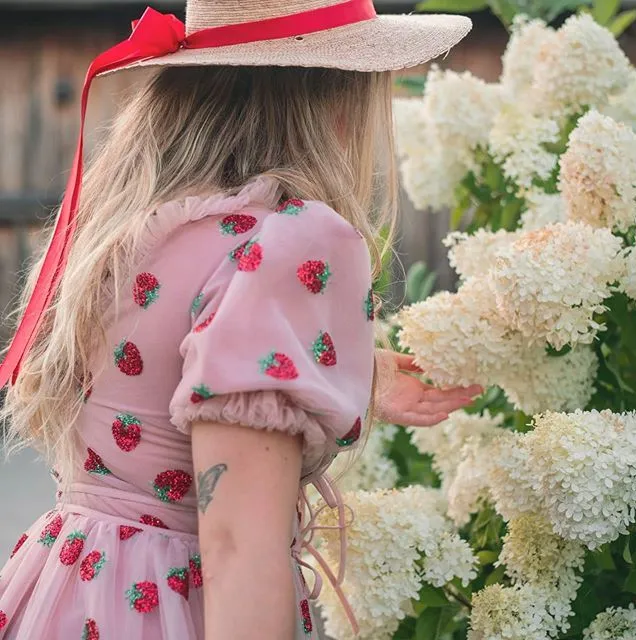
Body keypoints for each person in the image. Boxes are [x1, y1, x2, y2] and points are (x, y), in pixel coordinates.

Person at [0, 1, 476, 638]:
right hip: (171, 603)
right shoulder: (295, 241)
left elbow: (156, 388)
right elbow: (237, 547)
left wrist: (357, 377)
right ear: (338, 94)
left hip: (72, 582)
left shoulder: (128, 224)